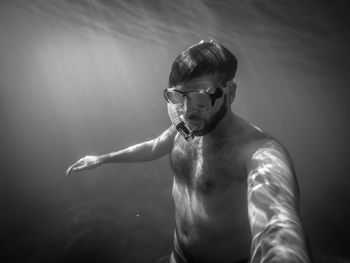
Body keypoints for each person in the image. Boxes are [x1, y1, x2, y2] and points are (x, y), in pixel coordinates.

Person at [66, 41, 312, 263]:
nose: (187, 111)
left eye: (199, 98)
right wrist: (101, 159)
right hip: (179, 255)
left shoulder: (259, 151)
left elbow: (277, 224)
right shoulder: (185, 128)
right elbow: (154, 147)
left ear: (230, 93)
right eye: (178, 96)